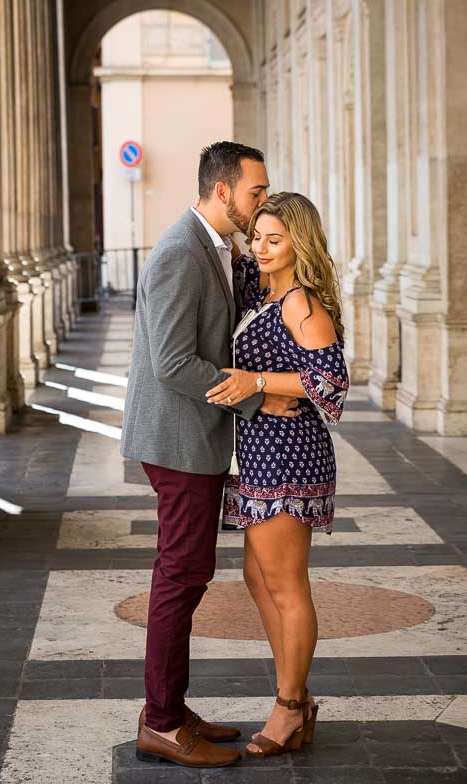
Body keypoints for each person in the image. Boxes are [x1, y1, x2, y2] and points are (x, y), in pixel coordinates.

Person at [121, 143, 300, 770]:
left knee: (186, 573)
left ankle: (168, 708)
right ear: (222, 192)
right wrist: (252, 397)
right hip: (177, 440)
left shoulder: (212, 248)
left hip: (191, 436)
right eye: (255, 192)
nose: (261, 203)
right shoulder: (178, 252)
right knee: (181, 576)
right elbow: (172, 363)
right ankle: (163, 723)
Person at [206, 192, 349, 757]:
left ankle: (289, 707)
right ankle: (298, 695)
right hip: (260, 451)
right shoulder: (259, 286)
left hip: (290, 454)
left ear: (299, 243)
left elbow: (331, 385)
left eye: (275, 239)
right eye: (257, 237)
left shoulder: (299, 301)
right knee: (258, 580)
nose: (261, 248)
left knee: (287, 586)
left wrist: (258, 383)